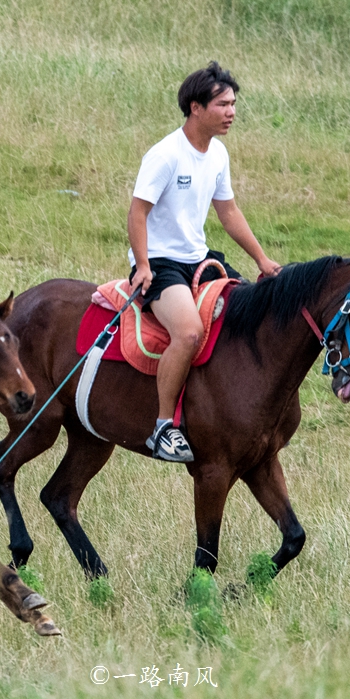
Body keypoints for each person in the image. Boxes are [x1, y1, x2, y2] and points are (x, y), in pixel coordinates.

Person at [128, 62, 281, 463]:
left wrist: (261, 259)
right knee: (190, 333)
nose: (231, 112)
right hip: (161, 264)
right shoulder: (165, 155)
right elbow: (137, 213)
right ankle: (164, 427)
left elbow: (228, 213)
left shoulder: (218, 155)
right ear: (196, 107)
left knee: (250, 311)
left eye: (233, 104)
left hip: (199, 258)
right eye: (222, 104)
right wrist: (142, 266)